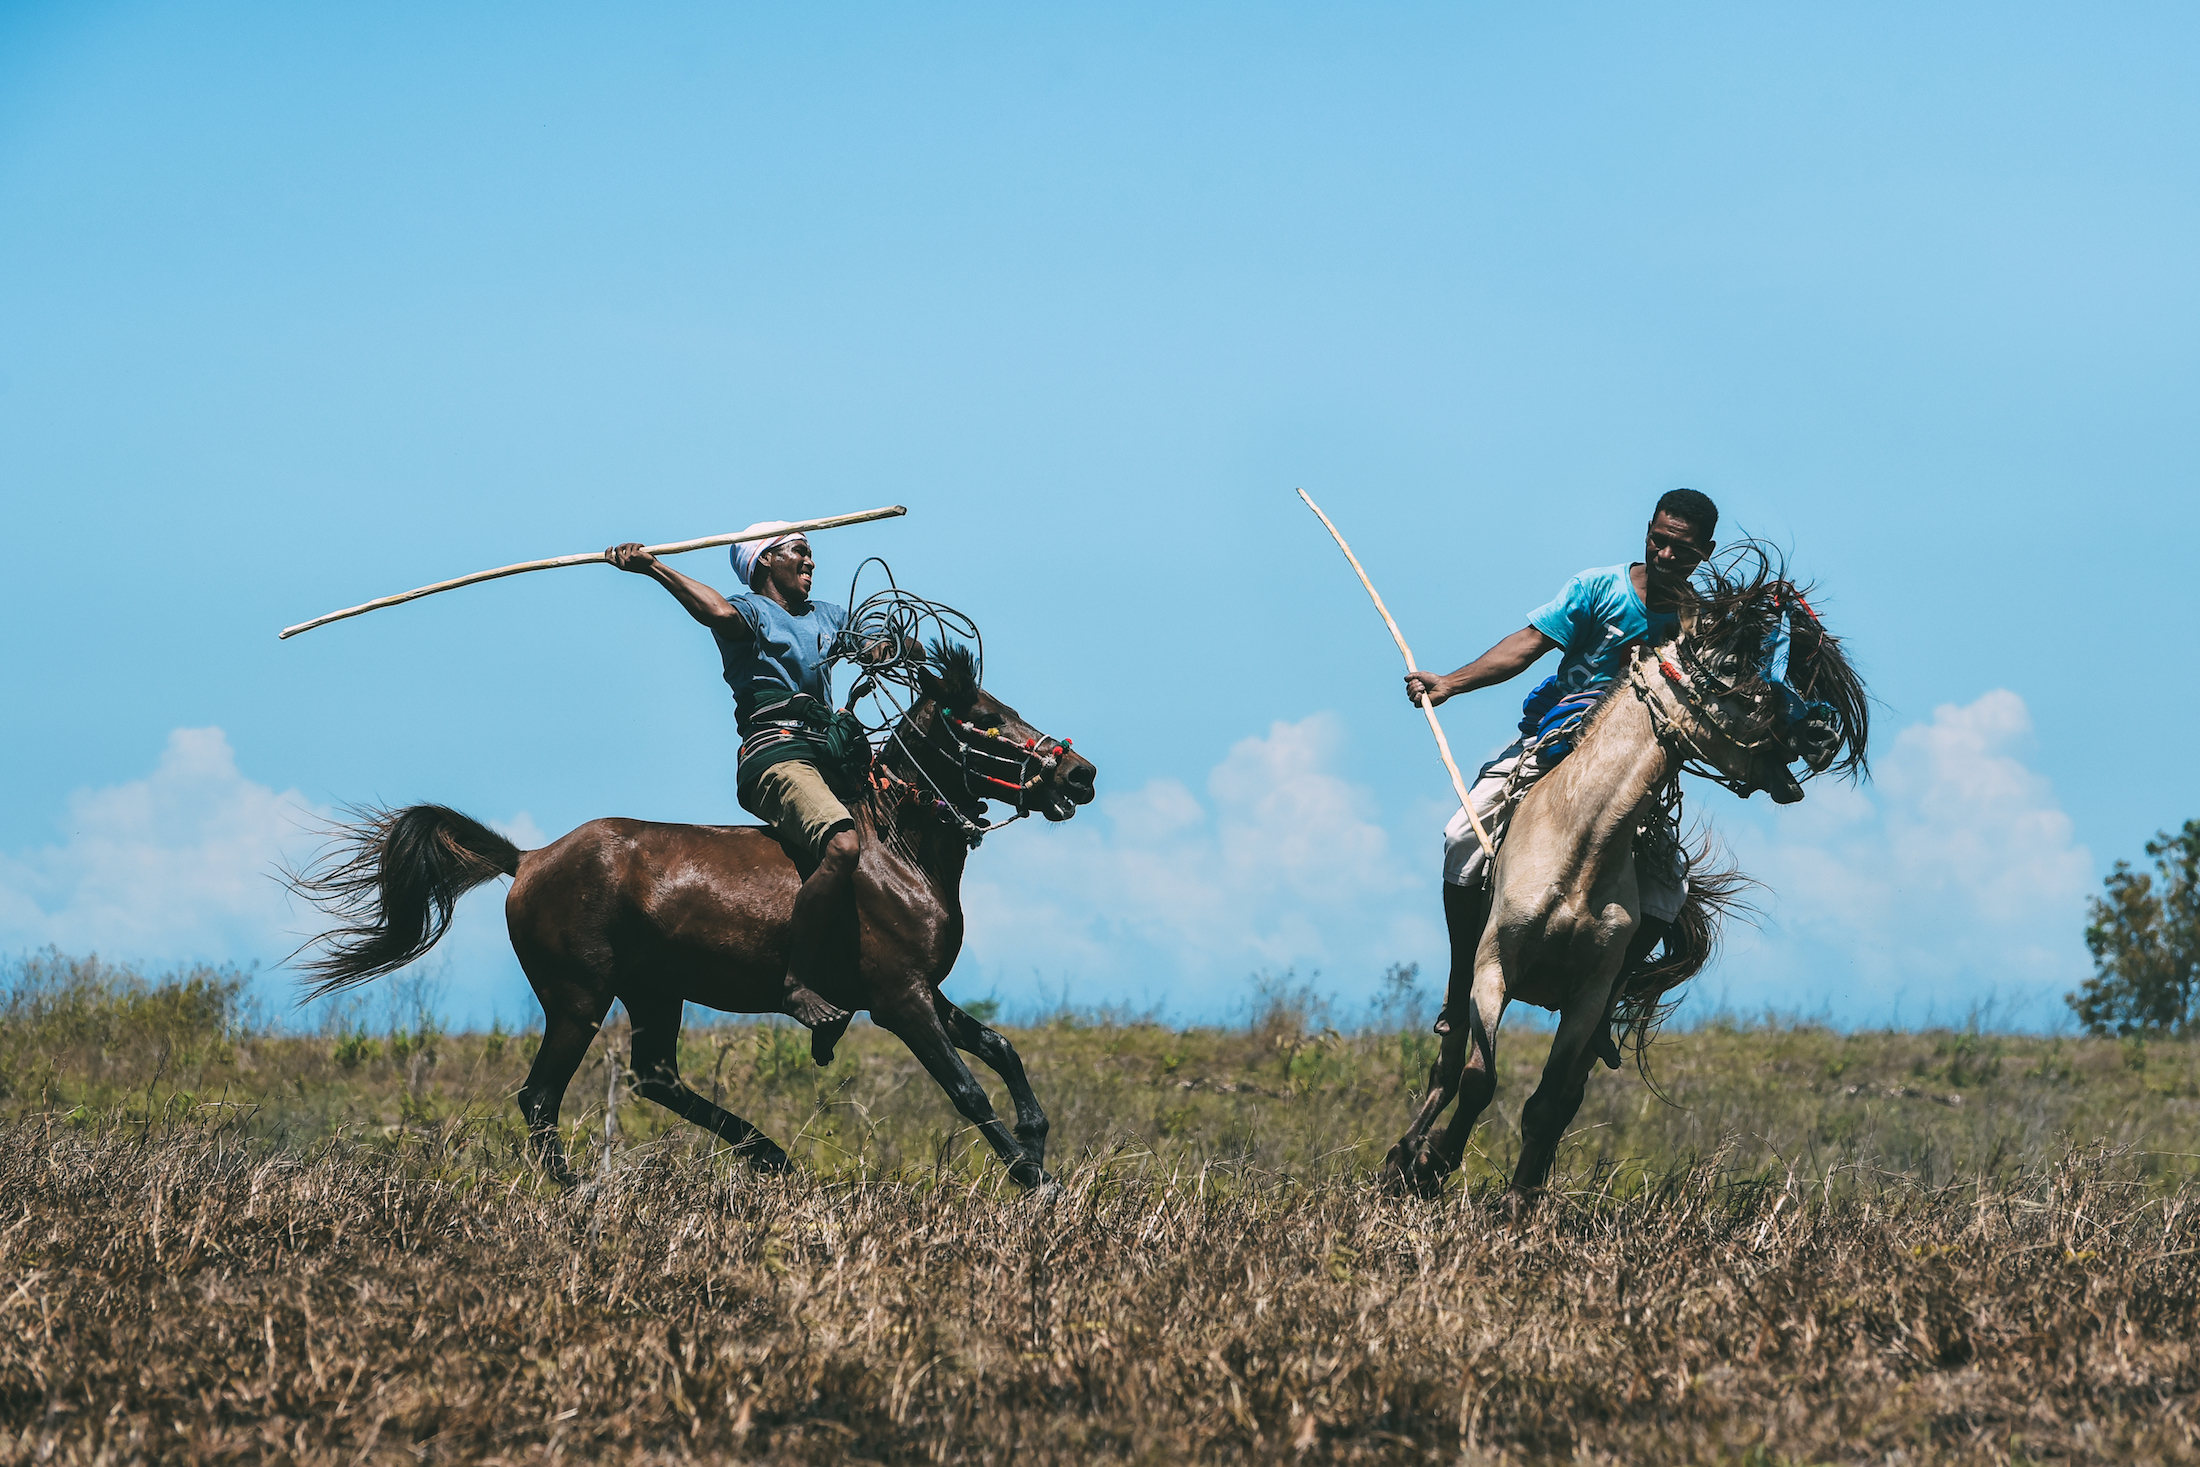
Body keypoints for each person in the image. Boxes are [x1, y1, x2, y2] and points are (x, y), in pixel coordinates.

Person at [1403, 489, 1718, 1055]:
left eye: (1682, 549)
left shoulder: (1697, 626)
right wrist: (1449, 682)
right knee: (1459, 836)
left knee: (1668, 889)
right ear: (1648, 531)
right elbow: (1526, 646)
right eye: (1659, 540)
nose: (1667, 555)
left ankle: (1604, 1002)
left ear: (1705, 553)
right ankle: (1458, 986)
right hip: (1554, 744)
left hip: (1633, 772)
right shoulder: (1598, 587)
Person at [605, 524, 860, 1064]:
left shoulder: (828, 615)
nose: (811, 561)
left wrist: (894, 644)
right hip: (779, 755)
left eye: (811, 552)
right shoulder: (746, 612)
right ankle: (799, 983)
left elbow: (867, 637)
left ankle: (848, 981)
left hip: (831, 751)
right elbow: (716, 614)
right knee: (842, 847)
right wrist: (652, 567)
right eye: (799, 551)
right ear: (767, 562)